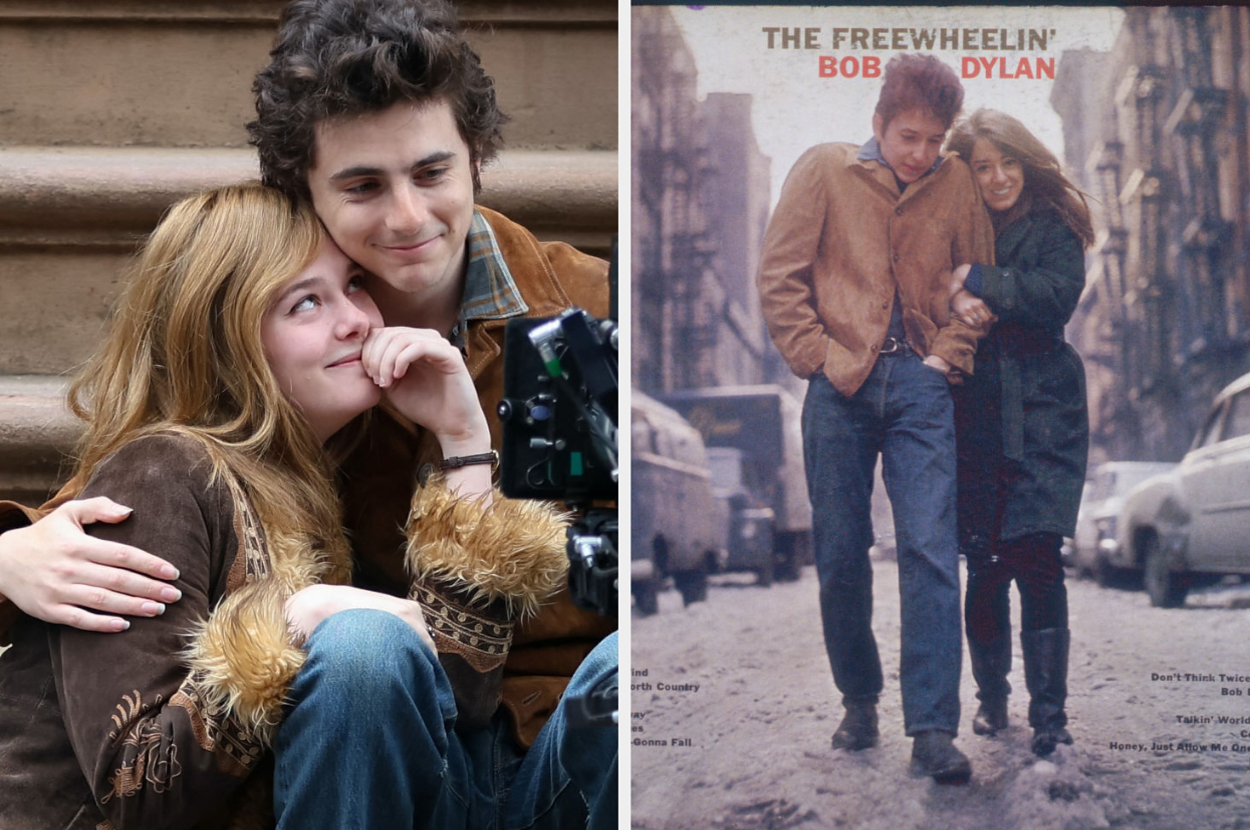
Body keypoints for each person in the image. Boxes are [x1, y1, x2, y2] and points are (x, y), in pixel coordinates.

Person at [0, 1, 617, 827]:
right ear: (304, 192)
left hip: (554, 723)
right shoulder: (290, 369)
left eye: (432, 173)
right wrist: (7, 552)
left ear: (477, 160)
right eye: (362, 185)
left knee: (640, 668)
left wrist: (472, 450)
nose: (406, 218)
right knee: (366, 652)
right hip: (370, 723)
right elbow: (131, 512)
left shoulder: (592, 312)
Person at [757, 53, 994, 785]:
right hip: (841, 388)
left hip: (923, 387)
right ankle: (859, 700)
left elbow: (974, 286)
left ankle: (932, 730)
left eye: (934, 140)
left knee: (929, 548)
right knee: (839, 554)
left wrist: (946, 358)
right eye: (909, 138)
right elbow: (780, 276)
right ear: (880, 124)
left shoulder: (954, 185)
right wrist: (819, 357)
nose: (922, 154)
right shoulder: (825, 170)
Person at [944, 109, 1092, 758]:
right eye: (983, 166)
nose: (998, 177)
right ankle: (992, 698)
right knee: (983, 565)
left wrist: (976, 281)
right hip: (974, 415)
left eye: (1008, 163)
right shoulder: (954, 226)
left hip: (1043, 413)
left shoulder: (1054, 228)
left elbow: (1054, 297)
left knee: (1038, 559)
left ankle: (1051, 716)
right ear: (967, 173)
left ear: (1026, 165)